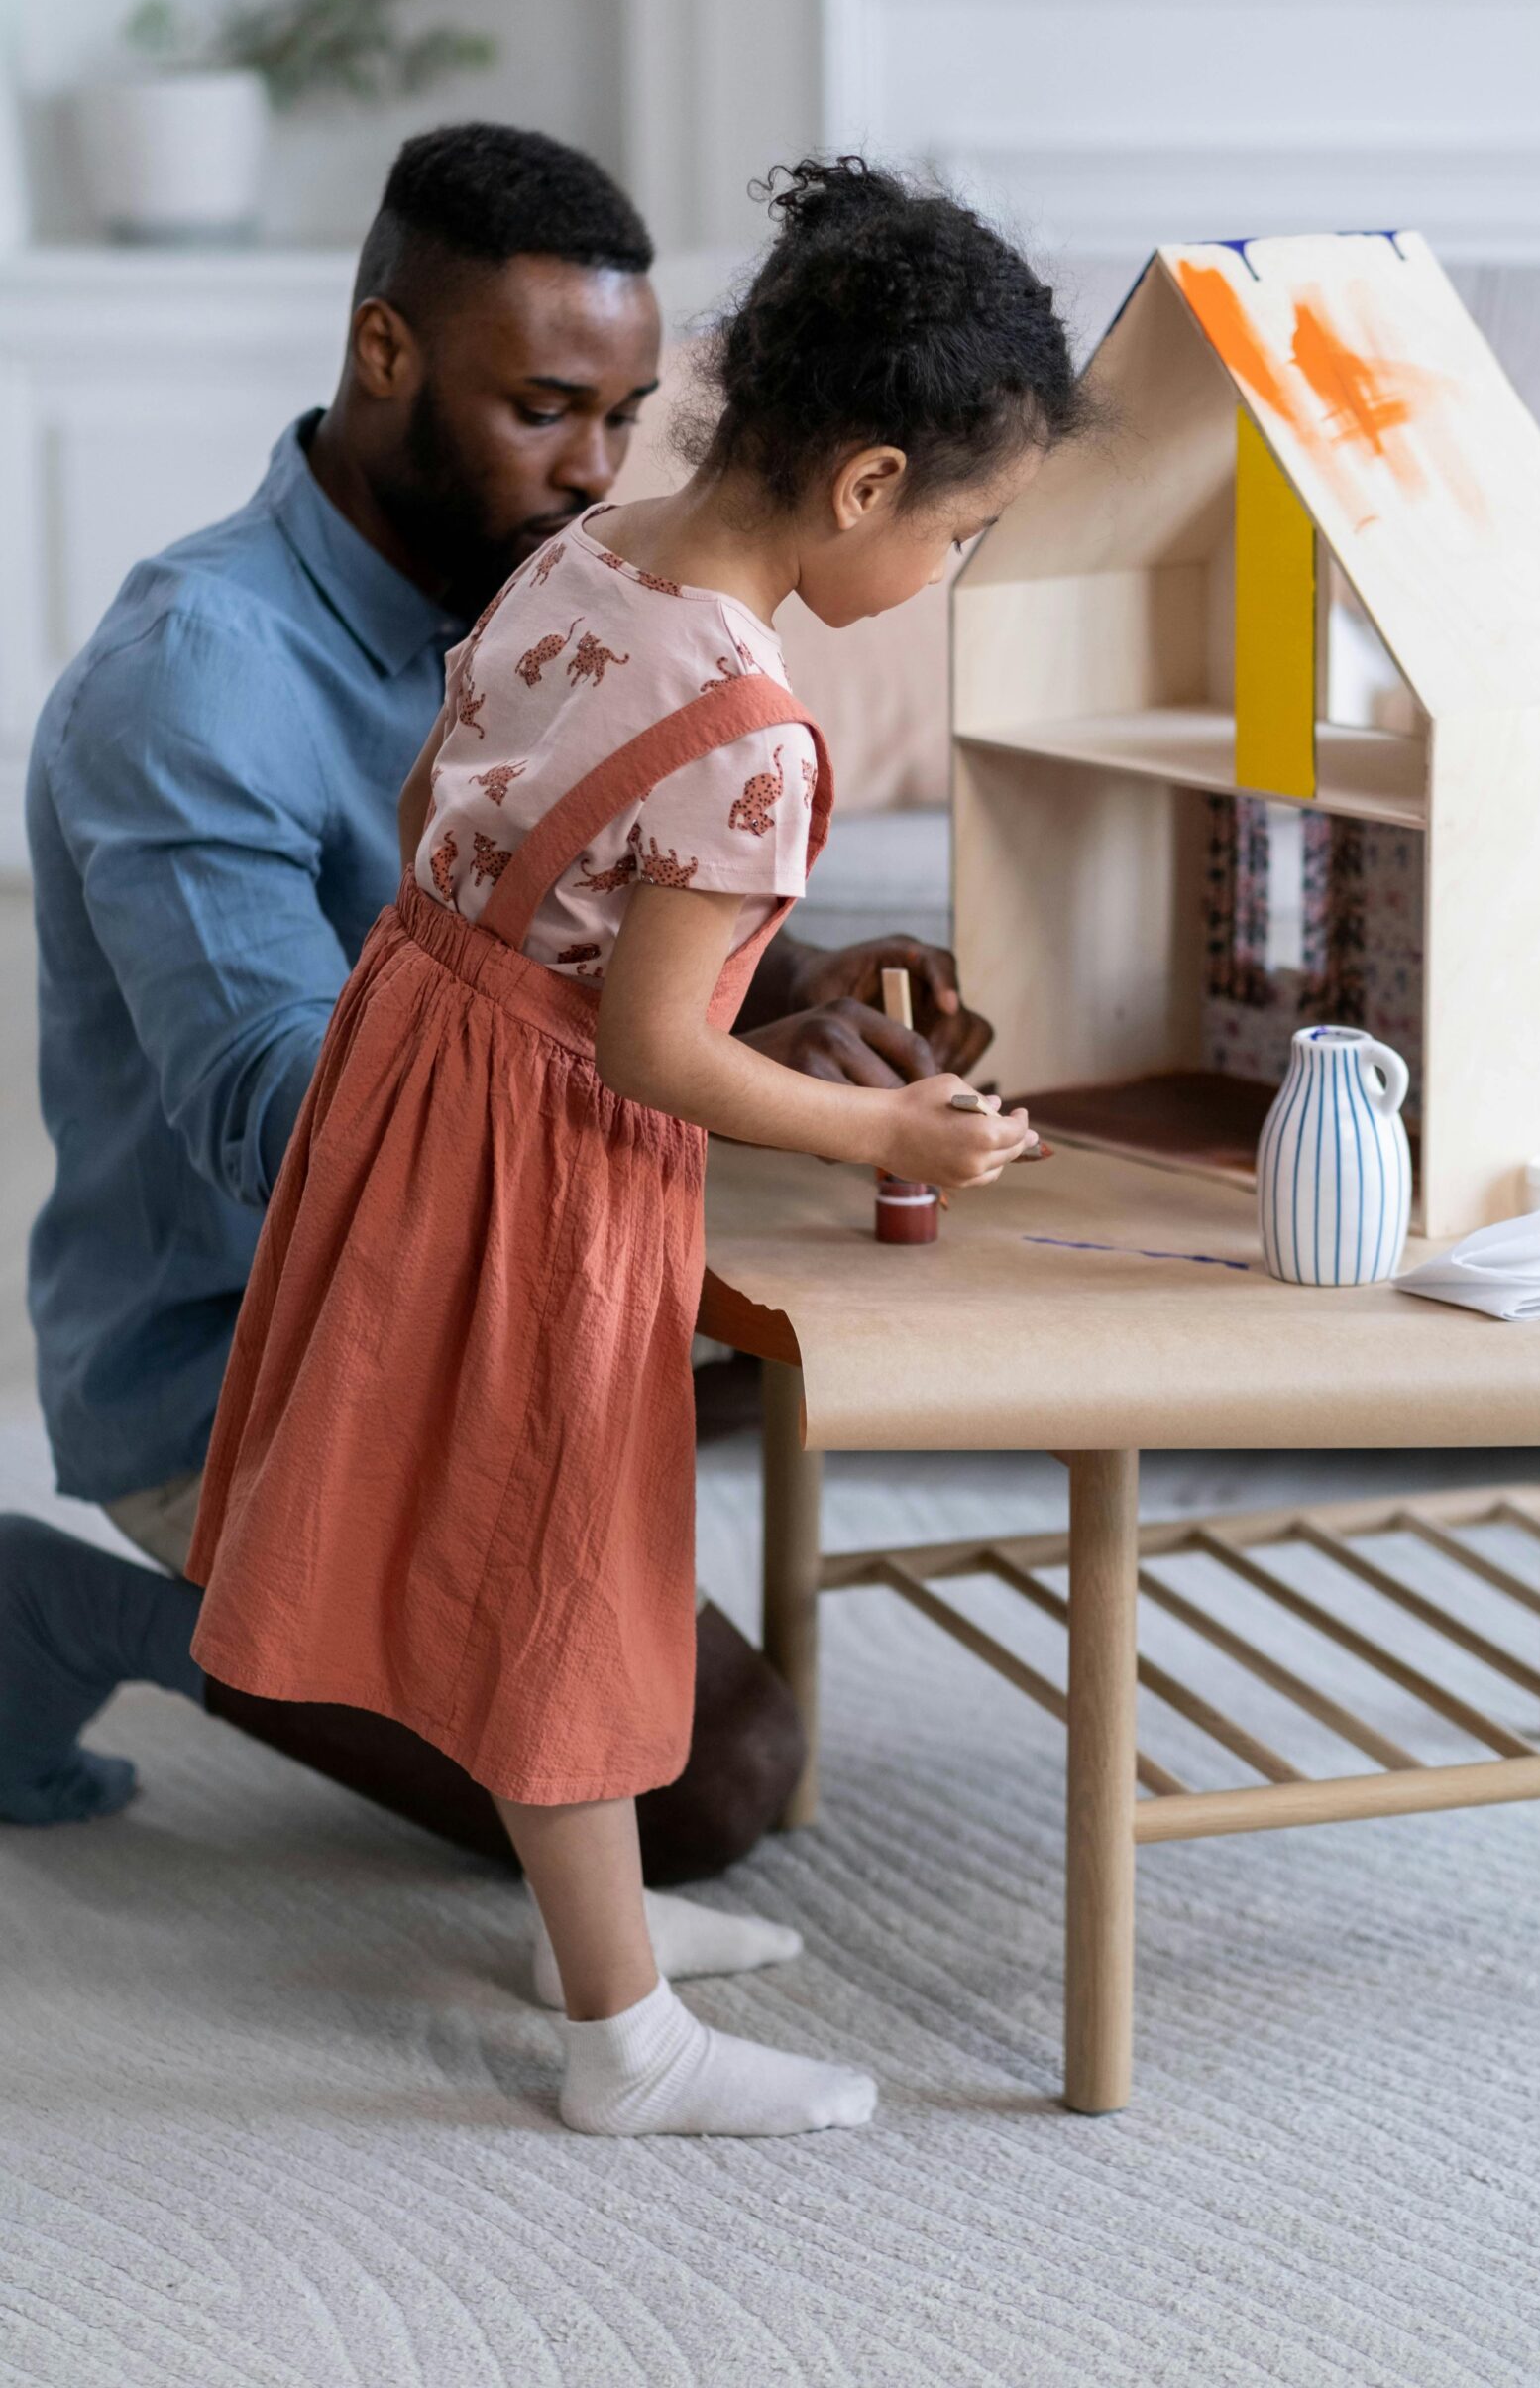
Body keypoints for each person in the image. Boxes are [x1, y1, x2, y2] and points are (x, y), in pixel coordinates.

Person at [185, 154, 1081, 2138]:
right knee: (558, 1564)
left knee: (534, 1541)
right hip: (537, 1140)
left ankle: (587, 1927)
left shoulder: (584, 550)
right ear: (864, 485)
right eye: (965, 531)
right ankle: (625, 2039)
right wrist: (885, 1118)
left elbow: (443, 785)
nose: (946, 571)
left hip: (412, 1047)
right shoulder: (755, 734)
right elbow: (660, 1047)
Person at [0, 126, 992, 1905]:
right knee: (700, 1789)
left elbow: (574, 911)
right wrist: (710, 1074)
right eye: (543, 409)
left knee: (859, 1335)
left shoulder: (565, 593)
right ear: (385, 350)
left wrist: (779, 979)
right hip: (249, 1347)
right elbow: (279, 1105)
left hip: (487, 1265)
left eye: (623, 418)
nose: (590, 472)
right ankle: (83, 1602)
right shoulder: (189, 677)